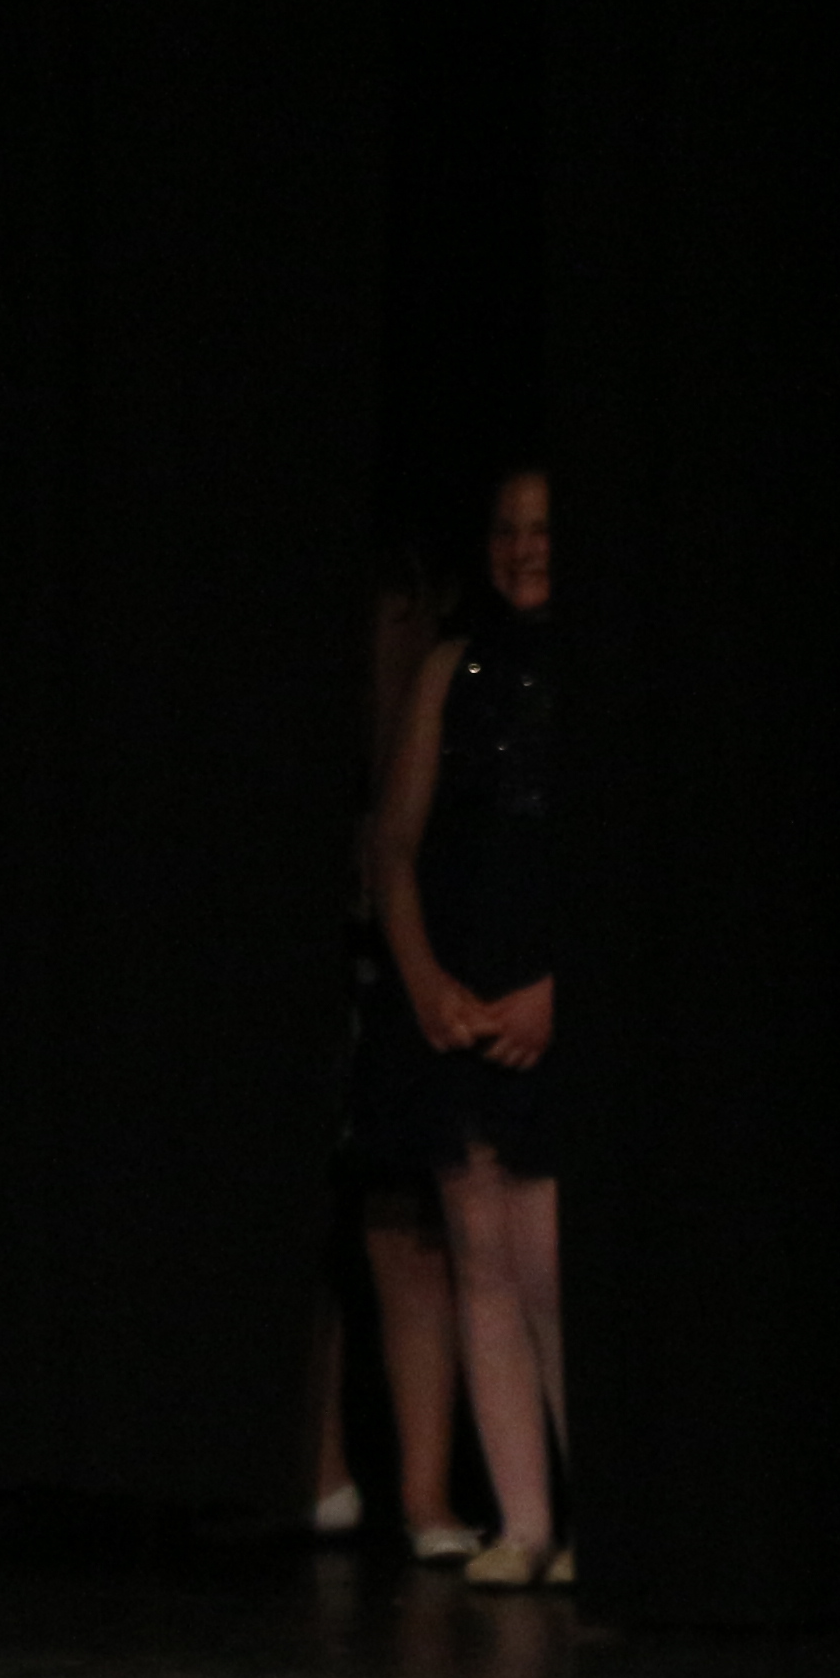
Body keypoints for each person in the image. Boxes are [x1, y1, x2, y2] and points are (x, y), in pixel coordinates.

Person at [376, 465, 566, 1590]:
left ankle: (598, 1523)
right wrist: (421, 978)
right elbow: (397, 847)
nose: (523, 546)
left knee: (548, 1265)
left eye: (543, 528)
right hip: (462, 989)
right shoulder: (455, 667)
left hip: (547, 995)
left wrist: (560, 994)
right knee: (481, 1254)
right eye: (507, 528)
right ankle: (523, 1522)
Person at [320, 533, 476, 1562]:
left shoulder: (450, 691)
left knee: (407, 1229)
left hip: (408, 981)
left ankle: (426, 1493)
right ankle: (321, 1470)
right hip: (337, 975)